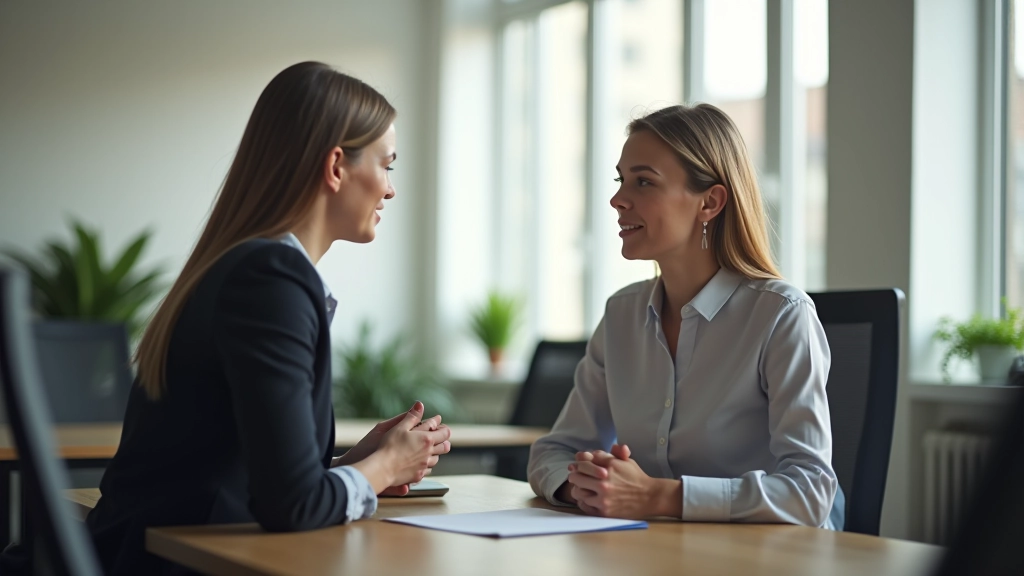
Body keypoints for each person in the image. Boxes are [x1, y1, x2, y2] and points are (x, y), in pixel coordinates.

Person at [85, 62, 452, 575]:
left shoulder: (243, 265)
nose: (390, 189)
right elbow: (292, 508)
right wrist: (386, 464)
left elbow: (246, 478)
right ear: (336, 166)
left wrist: (353, 466)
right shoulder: (271, 280)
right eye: (388, 165)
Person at [528, 103, 841, 528]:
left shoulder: (781, 316)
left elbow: (810, 493)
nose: (618, 199)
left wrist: (659, 495)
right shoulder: (621, 314)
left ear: (710, 202)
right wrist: (586, 485)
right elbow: (554, 450)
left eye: (643, 182)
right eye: (621, 180)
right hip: (658, 552)